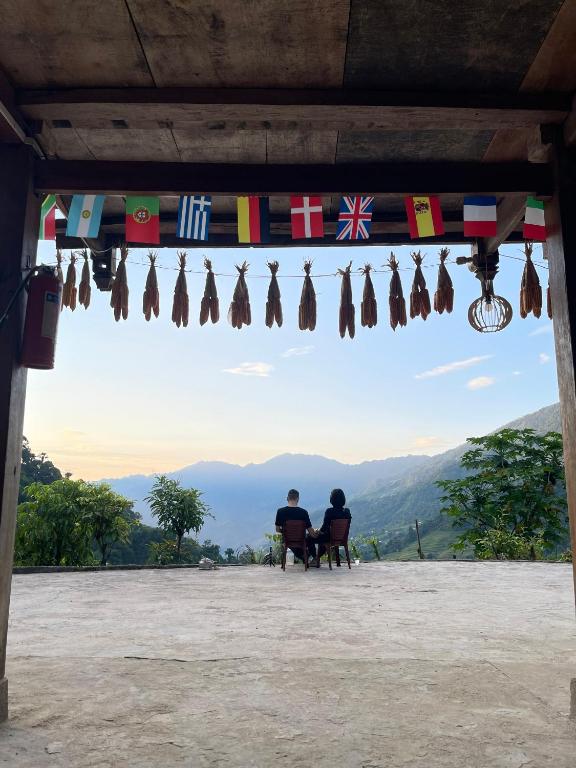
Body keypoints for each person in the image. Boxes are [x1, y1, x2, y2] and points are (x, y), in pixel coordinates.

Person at [275, 489, 317, 564]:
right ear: (298, 499)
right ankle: (313, 558)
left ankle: (306, 557)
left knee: (294, 546)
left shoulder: (280, 511)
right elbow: (310, 531)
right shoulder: (303, 512)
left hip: (287, 540)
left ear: (287, 498)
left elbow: (277, 529)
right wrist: (316, 533)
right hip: (301, 540)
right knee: (309, 537)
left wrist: (286, 532)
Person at [315, 488, 352, 562]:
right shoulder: (347, 511)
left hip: (329, 538)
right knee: (323, 538)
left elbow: (324, 528)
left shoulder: (329, 511)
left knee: (310, 537)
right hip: (342, 538)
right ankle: (315, 559)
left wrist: (317, 531)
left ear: (332, 499)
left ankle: (314, 558)